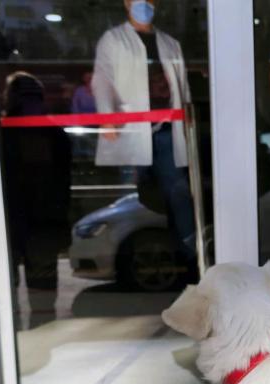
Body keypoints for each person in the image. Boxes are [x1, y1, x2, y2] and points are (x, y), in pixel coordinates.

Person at [91, 0, 197, 263]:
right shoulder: (113, 39)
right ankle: (132, 254)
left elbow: (182, 87)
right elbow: (102, 79)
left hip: (165, 130)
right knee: (131, 197)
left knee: (178, 191)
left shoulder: (170, 43)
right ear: (127, 3)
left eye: (150, 0)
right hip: (129, 130)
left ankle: (189, 252)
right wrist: (106, 117)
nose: (145, 4)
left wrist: (187, 120)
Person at [0, 72, 72, 328]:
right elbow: (64, 178)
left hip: (9, 216)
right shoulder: (55, 132)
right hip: (46, 217)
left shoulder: (0, 132)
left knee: (5, 286)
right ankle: (42, 330)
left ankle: (11, 333)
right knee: (43, 289)